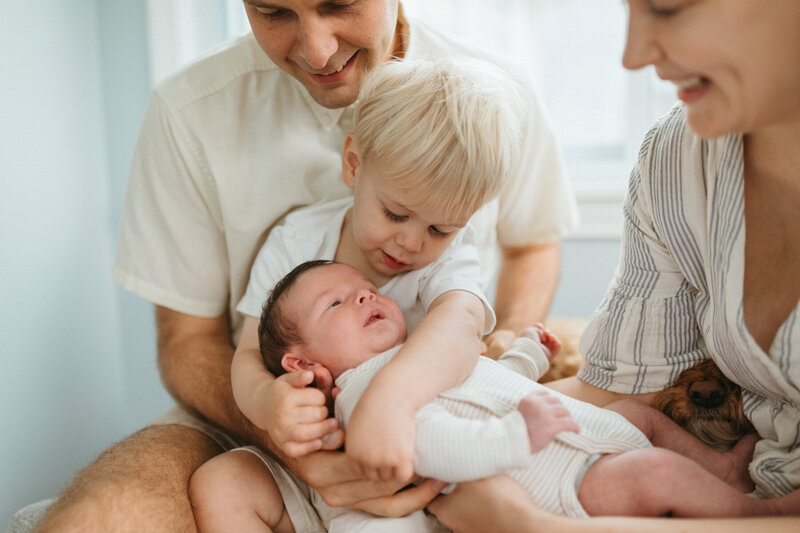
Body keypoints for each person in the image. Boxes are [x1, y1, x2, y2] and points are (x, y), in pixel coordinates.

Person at [30, 1, 577, 531]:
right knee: (136, 504)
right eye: (273, 12)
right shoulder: (196, 119)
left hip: (434, 420)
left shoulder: (495, 98)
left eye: (339, 4)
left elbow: (521, 256)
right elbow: (189, 340)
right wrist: (272, 419)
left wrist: (501, 342)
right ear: (353, 164)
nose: (318, 51)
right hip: (242, 423)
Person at [428, 0, 800, 531]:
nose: (631, 56)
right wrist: (423, 426)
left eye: (667, 8)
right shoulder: (677, 160)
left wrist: (530, 526)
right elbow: (619, 390)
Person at [191, 261, 799, 533]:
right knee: (651, 472)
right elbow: (432, 443)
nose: (364, 297)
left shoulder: (415, 353)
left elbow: (486, 381)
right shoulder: (361, 397)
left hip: (571, 433)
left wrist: (528, 356)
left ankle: (717, 471)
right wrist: (514, 438)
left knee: (638, 413)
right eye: (336, 304)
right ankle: (757, 518)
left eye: (365, 289)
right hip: (558, 482)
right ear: (303, 363)